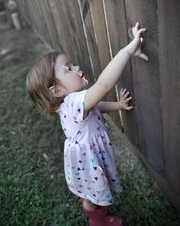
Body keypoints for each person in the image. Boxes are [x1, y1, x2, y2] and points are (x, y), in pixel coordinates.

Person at [26, 22, 148, 226]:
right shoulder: (74, 102)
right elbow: (104, 85)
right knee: (94, 194)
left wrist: (118, 105)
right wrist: (127, 50)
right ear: (56, 91)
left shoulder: (69, 104)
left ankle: (87, 202)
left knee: (89, 189)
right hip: (88, 160)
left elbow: (96, 106)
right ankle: (98, 223)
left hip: (83, 158)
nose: (76, 68)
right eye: (68, 69)